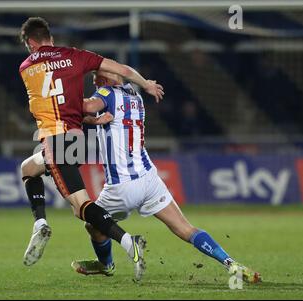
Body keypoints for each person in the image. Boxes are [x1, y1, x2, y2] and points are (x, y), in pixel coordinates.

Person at [71, 70, 261, 284]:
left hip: (122, 185)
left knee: (88, 219)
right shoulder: (134, 94)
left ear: (111, 78)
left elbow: (86, 106)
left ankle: (107, 264)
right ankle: (231, 263)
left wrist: (60, 101)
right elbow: (113, 101)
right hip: (149, 177)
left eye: (98, 75)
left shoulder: (107, 93)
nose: (94, 80)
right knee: (185, 229)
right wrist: (93, 120)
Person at [18, 17, 164, 281]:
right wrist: (146, 85)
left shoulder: (26, 67)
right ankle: (39, 223)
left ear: (30, 42)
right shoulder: (76, 56)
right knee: (28, 168)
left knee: (81, 205)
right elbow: (121, 70)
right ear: (49, 36)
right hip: (75, 139)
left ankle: (130, 242)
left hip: (55, 139)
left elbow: (51, 103)